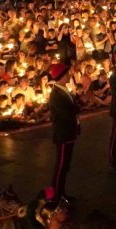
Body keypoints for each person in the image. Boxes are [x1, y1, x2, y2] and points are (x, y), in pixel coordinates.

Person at [47, 63, 80, 199]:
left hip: (68, 133)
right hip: (64, 134)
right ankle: (56, 194)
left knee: (65, 166)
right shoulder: (57, 95)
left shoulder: (63, 90)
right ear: (60, 77)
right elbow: (68, 112)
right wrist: (78, 105)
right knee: (61, 166)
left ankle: (61, 192)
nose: (69, 75)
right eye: (66, 74)